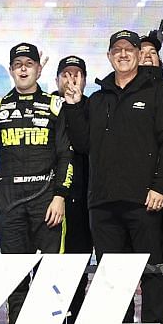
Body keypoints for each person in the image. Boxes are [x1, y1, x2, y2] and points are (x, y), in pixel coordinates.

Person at [64, 29, 163, 323]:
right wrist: (75, 105)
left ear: (139, 55)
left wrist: (160, 187)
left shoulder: (158, 91)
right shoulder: (97, 98)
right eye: (117, 50)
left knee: (151, 270)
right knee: (112, 276)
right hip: (103, 203)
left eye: (129, 49)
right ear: (109, 56)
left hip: (144, 200)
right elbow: (82, 144)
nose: (123, 54)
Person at [0, 41, 73, 324]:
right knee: (15, 275)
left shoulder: (55, 106)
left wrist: (60, 197)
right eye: (18, 64)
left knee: (50, 273)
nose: (23, 69)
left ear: (38, 69)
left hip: (46, 202)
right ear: (10, 70)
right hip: (10, 204)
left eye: (28, 64)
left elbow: (66, 155)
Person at [54, 55, 94, 263]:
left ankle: (79, 297)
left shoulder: (93, 106)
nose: (71, 80)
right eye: (65, 75)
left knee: (78, 259)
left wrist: (75, 106)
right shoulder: (46, 104)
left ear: (85, 80)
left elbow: (86, 145)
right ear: (56, 80)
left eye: (76, 75)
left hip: (83, 196)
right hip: (49, 196)